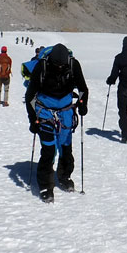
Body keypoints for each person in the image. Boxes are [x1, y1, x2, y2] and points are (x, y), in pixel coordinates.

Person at [25, 44, 89, 203]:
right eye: (57, 65)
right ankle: (46, 185)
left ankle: (65, 176)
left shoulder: (73, 65)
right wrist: (33, 119)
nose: (59, 68)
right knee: (48, 148)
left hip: (66, 112)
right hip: (45, 112)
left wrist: (82, 104)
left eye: (62, 65)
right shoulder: (43, 66)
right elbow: (30, 95)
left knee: (66, 147)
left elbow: (83, 88)